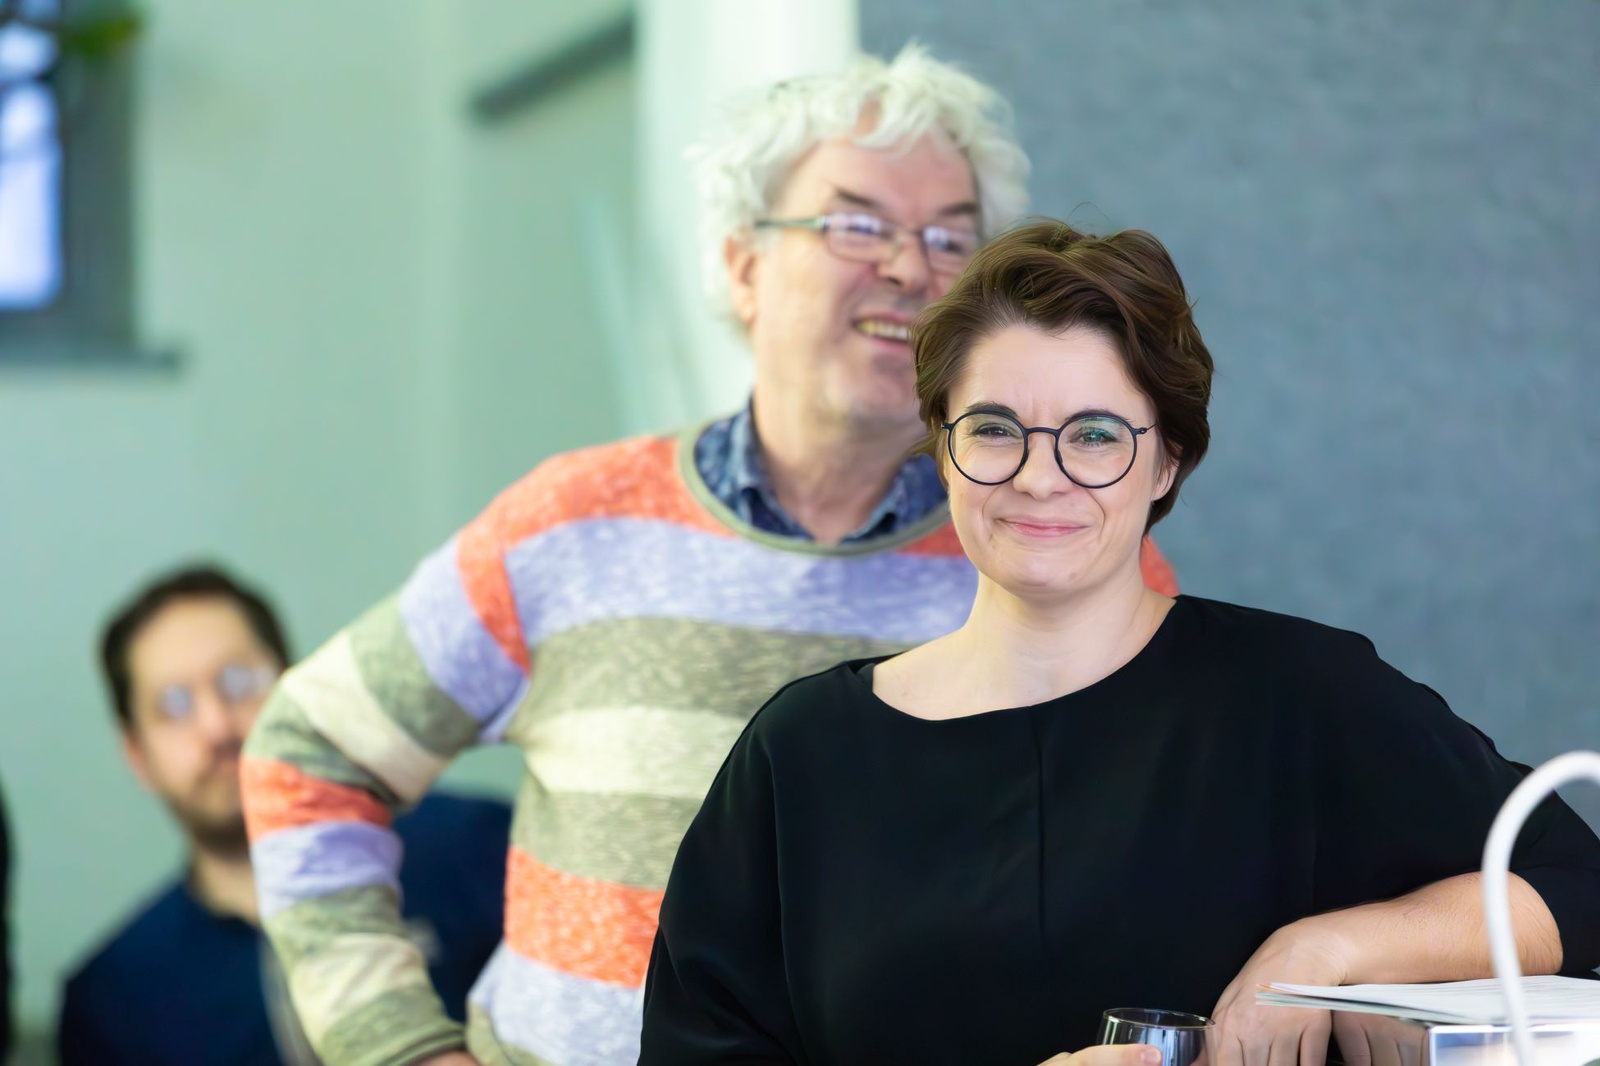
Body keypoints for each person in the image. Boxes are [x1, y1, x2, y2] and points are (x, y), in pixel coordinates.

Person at [239, 47, 1178, 1066]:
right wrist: (396, 1046)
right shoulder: (572, 524)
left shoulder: (1061, 556)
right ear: (742, 265)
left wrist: (1293, 953)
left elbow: (1161, 875)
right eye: (856, 223)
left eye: (951, 236)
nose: (912, 268)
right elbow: (307, 751)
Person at [638, 222, 1600, 1066]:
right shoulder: (801, 755)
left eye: (1095, 435)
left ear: (1167, 460)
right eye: (995, 429)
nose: (1039, 477)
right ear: (942, 447)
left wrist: (1331, 950)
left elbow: (1580, 886)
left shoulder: (1301, 697)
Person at [59, 564, 511, 1066]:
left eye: (238, 681)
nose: (217, 726)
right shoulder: (114, 998)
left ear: (296, 688)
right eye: (174, 704)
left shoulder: (479, 846)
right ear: (137, 755)